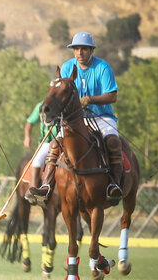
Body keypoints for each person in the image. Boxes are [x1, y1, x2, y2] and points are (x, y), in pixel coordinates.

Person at [26, 31, 123, 206]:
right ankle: (46, 186)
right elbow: (60, 93)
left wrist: (89, 100)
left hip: (102, 116)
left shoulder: (103, 68)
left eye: (84, 49)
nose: (80, 52)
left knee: (113, 141)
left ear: (91, 50)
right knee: (55, 144)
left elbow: (112, 96)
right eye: (76, 49)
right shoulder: (66, 67)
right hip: (75, 120)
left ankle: (113, 184)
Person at [21, 99, 59, 202]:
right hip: (47, 142)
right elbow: (30, 122)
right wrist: (27, 137)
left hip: (64, 140)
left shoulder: (66, 103)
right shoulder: (41, 105)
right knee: (37, 161)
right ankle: (33, 189)